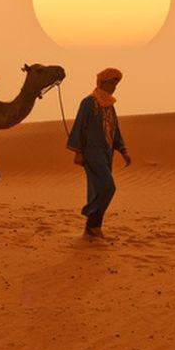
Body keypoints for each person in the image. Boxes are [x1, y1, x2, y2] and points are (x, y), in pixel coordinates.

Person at [67, 68, 132, 238]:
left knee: (98, 188)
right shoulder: (89, 102)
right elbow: (80, 126)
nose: (115, 86)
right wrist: (78, 152)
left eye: (116, 83)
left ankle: (93, 227)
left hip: (106, 153)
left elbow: (115, 128)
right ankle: (90, 216)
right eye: (112, 82)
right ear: (102, 82)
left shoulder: (109, 105)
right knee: (108, 187)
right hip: (91, 152)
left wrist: (123, 150)